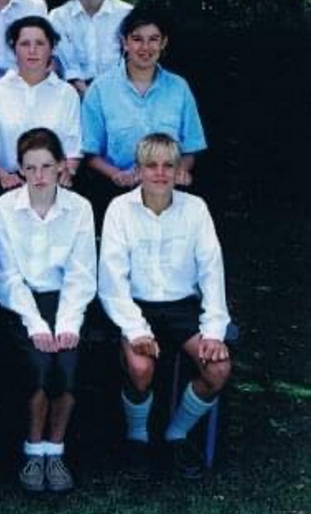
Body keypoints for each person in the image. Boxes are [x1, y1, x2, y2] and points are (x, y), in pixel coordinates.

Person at [98, 133, 231, 480]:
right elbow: (112, 282)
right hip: (135, 306)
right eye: (151, 165)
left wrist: (214, 331)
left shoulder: (195, 208)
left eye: (168, 165)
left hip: (181, 306)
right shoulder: (119, 210)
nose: (159, 173)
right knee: (141, 368)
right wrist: (137, 330)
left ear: (178, 170)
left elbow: (212, 272)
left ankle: (177, 434)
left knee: (217, 369)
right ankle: (137, 438)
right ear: (138, 169)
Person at [0, 128, 96, 494]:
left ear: (62, 167)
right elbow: (7, 276)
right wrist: (35, 324)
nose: (39, 176)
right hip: (19, 304)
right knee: (38, 367)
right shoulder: (3, 209)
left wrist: (67, 323)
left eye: (47, 166)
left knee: (65, 365)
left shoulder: (79, 208)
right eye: (30, 168)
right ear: (19, 169)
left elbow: (81, 275)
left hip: (65, 301)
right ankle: (33, 450)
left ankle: (56, 449)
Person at [80, 7, 206, 194]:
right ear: (125, 42)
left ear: (164, 42)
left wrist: (181, 171)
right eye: (137, 39)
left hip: (169, 190)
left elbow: (191, 147)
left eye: (153, 39)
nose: (145, 48)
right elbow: (90, 152)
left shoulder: (179, 88)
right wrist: (117, 174)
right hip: (116, 191)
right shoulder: (100, 89)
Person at [0, 16, 82, 196]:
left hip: (55, 182)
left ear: (51, 48)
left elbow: (73, 144)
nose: (32, 50)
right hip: (8, 182)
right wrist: (2, 176)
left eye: (40, 43)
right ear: (14, 48)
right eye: (24, 44)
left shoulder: (66, 93)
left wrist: (67, 173)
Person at [48, 0, 133, 95]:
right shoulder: (58, 17)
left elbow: (131, 61)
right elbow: (68, 68)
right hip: (72, 96)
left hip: (119, 94)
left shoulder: (126, 13)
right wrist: (89, 97)